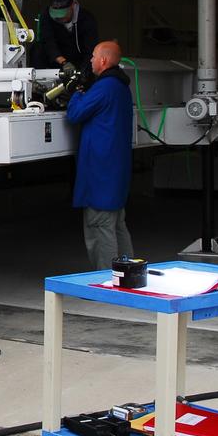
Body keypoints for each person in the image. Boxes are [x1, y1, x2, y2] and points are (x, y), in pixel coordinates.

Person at [65, 40, 134, 270]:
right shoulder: (121, 87)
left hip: (100, 173)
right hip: (114, 172)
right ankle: (128, 276)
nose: (91, 60)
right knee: (117, 225)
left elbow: (75, 114)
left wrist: (76, 92)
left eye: (93, 56)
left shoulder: (104, 88)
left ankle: (106, 281)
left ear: (103, 60)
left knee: (99, 227)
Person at [35, 0, 99, 74]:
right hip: (57, 58)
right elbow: (48, 41)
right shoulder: (46, 15)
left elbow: (90, 49)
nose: (59, 19)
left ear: (72, 6)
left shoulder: (87, 19)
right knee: (37, 49)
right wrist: (63, 62)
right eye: (55, 15)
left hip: (79, 57)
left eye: (62, 15)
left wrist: (82, 72)